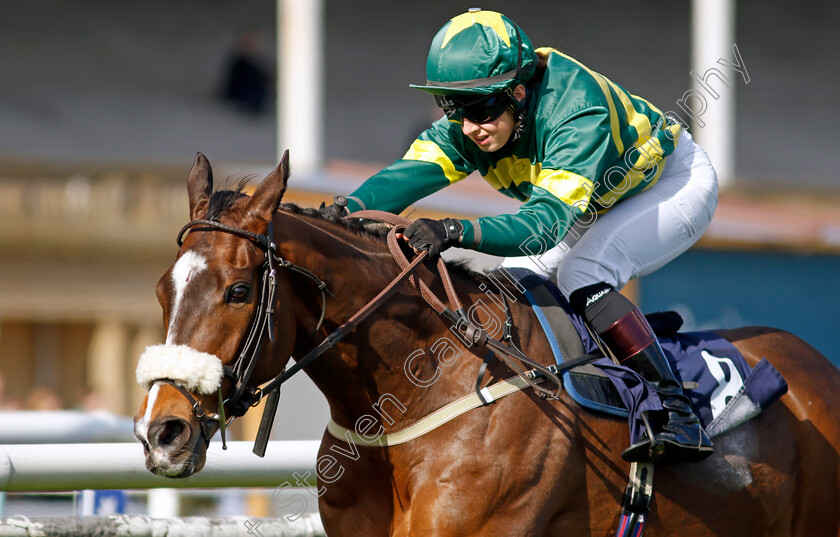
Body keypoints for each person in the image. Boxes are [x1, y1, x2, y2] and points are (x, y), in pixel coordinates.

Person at [322, 9, 717, 463]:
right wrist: (343, 211)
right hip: (593, 202)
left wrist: (454, 230)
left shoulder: (576, 112)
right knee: (499, 297)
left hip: (671, 183)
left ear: (519, 91)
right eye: (455, 109)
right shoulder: (479, 116)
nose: (469, 126)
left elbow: (543, 226)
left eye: (481, 109)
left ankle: (678, 412)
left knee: (583, 274)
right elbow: (410, 176)